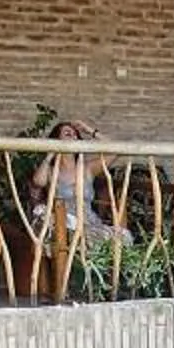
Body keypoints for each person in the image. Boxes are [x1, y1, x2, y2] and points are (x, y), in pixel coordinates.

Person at [28, 119, 132, 295]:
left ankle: (107, 287)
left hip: (89, 222)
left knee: (122, 236)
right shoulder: (52, 171)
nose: (72, 135)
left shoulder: (88, 168)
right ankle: (68, 287)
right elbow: (38, 181)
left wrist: (90, 131)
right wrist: (51, 153)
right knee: (73, 236)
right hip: (63, 223)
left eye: (75, 134)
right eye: (66, 133)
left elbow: (116, 149)